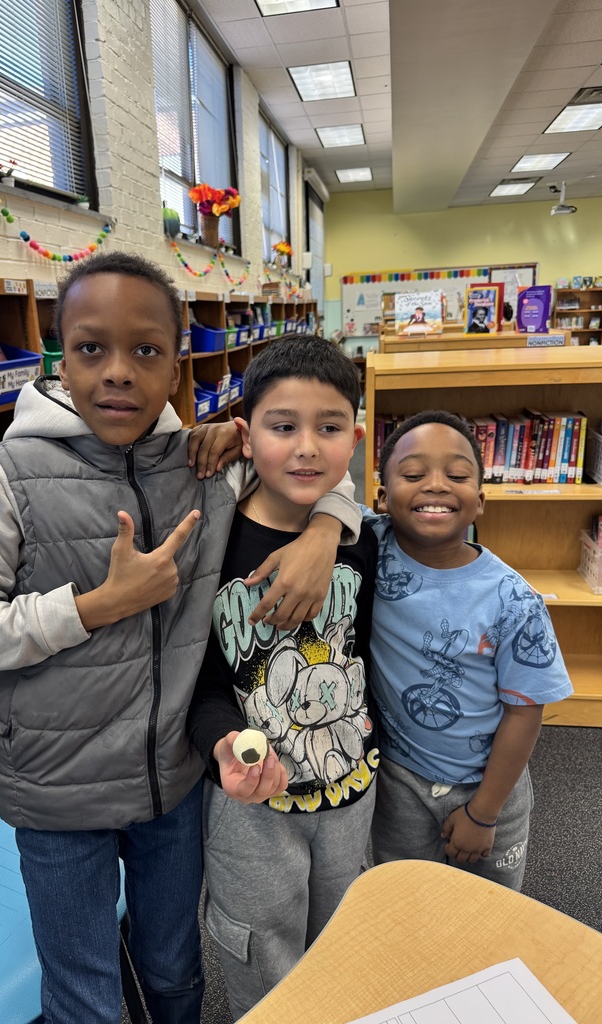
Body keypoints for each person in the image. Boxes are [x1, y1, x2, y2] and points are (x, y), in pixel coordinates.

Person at [0, 251, 362, 1024]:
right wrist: (93, 606)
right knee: (84, 995)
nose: (119, 373)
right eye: (92, 348)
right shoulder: (3, 479)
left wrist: (328, 526)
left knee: (174, 973)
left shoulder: (206, 463)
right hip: (59, 793)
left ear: (177, 363)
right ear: (61, 354)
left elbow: (314, 459)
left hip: (172, 782)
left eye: (147, 351)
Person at [188, 336, 379, 1020]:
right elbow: (203, 685)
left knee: (342, 944)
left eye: (329, 430)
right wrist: (223, 746)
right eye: (282, 427)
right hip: (251, 815)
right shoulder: (214, 545)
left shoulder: (362, 539)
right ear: (244, 436)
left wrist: (330, 529)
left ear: (355, 439)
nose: (306, 448)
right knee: (262, 962)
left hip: (349, 795)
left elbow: (367, 656)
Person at [366, 409, 573, 891]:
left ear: (479, 502)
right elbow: (320, 499)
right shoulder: (368, 546)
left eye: (457, 475)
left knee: (489, 913)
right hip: (400, 780)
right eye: (413, 474)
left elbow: (525, 712)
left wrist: (483, 813)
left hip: (491, 785)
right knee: (405, 901)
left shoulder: (514, 600)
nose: (436, 485)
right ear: (381, 498)